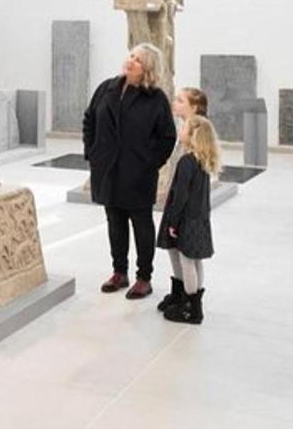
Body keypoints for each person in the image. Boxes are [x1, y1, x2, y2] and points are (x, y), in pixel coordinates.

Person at [83, 43, 177, 300]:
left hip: (138, 174)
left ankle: (144, 278)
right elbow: (89, 119)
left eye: (138, 60)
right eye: (131, 56)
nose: (130, 61)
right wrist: (92, 153)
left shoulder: (156, 98)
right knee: (114, 222)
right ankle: (119, 272)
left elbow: (167, 137)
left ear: (148, 68)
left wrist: (149, 163)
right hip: (108, 169)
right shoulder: (107, 88)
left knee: (141, 225)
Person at [157, 114, 220, 324]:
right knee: (195, 260)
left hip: (184, 219)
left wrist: (173, 222)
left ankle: (191, 308)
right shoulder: (203, 161)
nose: (180, 131)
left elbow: (181, 195)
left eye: (184, 128)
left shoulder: (186, 162)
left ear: (193, 135)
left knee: (185, 261)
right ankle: (187, 300)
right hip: (199, 219)